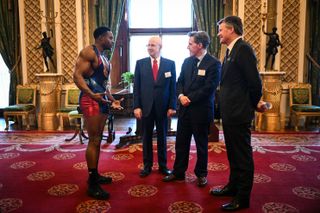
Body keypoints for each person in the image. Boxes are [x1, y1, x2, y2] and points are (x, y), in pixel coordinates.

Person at [210, 16, 268, 211]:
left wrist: (252, 105)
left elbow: (255, 82)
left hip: (239, 113)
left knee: (242, 156)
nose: (218, 33)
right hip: (230, 113)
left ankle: (242, 198)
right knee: (233, 154)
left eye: (221, 30)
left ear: (231, 30)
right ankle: (233, 186)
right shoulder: (230, 51)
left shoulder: (243, 49)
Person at [163, 31, 221, 187]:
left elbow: (210, 88)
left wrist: (190, 98)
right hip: (185, 111)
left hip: (201, 111)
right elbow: (179, 82)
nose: (187, 46)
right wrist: (181, 95)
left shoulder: (214, 63)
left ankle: (201, 174)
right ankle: (178, 172)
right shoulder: (187, 62)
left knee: (201, 145)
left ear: (200, 45)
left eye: (190, 43)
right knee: (181, 143)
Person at [73, 26, 123, 200]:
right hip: (90, 100)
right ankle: (92, 183)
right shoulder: (88, 52)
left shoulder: (104, 57)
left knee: (97, 139)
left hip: (100, 99)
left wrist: (112, 99)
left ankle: (95, 174)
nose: (111, 40)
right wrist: (91, 95)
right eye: (109, 37)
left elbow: (104, 84)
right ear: (101, 37)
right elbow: (77, 76)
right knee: (94, 139)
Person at [133, 36, 176, 177]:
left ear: (160, 47)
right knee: (146, 137)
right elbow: (137, 88)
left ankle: (163, 166)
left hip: (163, 108)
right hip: (145, 107)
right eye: (148, 45)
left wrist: (172, 106)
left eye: (153, 45)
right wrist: (136, 106)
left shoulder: (170, 64)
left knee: (162, 137)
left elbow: (173, 88)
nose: (150, 47)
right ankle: (147, 166)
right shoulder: (140, 64)